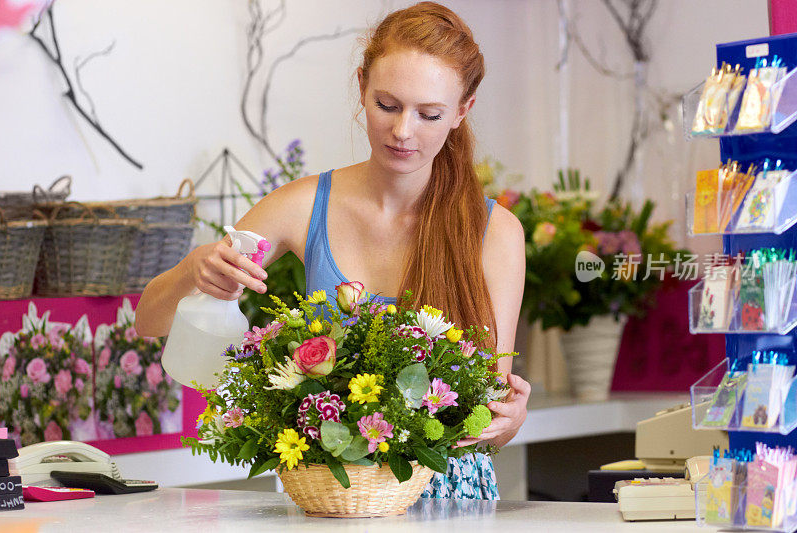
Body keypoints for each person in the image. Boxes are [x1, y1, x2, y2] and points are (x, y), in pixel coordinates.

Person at [135, 1, 530, 500]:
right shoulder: (304, 206)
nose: (403, 130)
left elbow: (491, 416)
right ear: (362, 85)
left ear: (463, 110)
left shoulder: (495, 232)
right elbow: (148, 321)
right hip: (332, 497)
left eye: (429, 114)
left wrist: (509, 418)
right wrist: (196, 271)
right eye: (387, 105)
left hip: (450, 502)